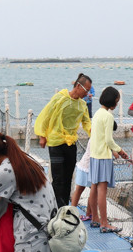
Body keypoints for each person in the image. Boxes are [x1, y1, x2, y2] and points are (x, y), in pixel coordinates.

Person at [34, 73, 92, 207]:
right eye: (86, 90)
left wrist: (93, 132)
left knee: (67, 178)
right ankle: (55, 208)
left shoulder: (82, 104)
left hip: (70, 143)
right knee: (58, 178)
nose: (87, 93)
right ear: (78, 86)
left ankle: (64, 207)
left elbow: (86, 122)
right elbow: (46, 115)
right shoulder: (60, 98)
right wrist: (42, 136)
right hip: (56, 143)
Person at [88, 86, 129, 233]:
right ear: (112, 101)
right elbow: (109, 140)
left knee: (94, 187)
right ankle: (104, 223)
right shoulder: (108, 116)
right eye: (117, 101)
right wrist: (120, 150)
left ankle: (95, 219)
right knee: (102, 191)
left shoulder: (98, 113)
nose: (117, 104)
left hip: (94, 155)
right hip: (103, 157)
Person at [69, 147, 96, 223]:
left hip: (91, 165)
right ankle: (73, 213)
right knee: (81, 189)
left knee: (91, 189)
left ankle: (89, 213)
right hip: (87, 165)